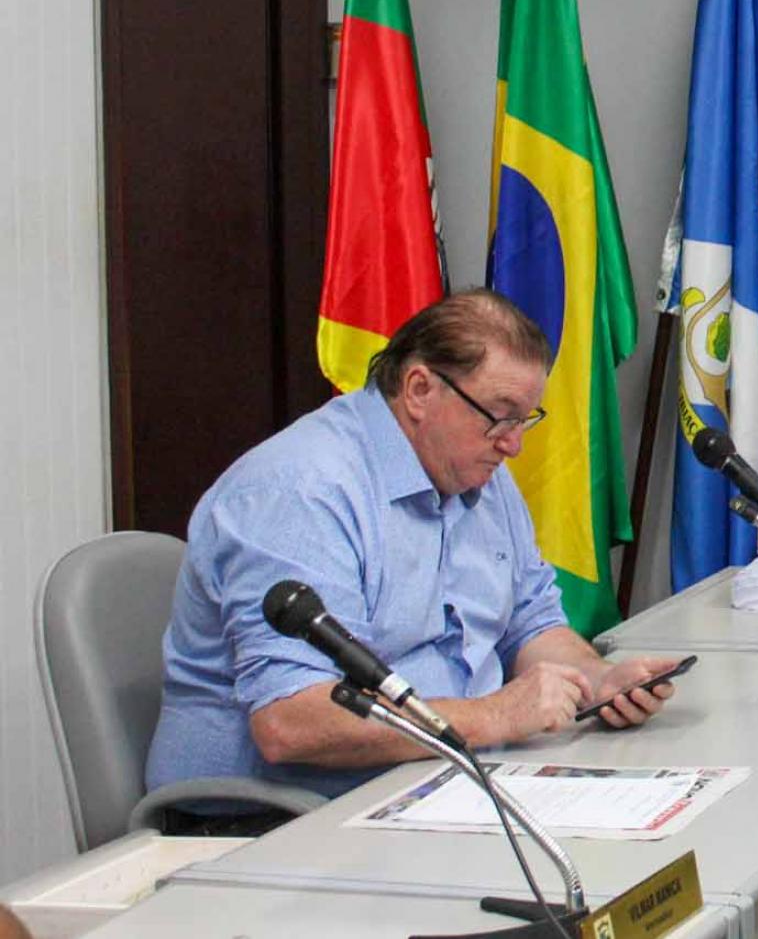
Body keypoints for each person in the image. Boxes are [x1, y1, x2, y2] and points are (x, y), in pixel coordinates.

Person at [146, 290, 682, 815]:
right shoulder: (301, 493)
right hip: (277, 821)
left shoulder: (478, 472)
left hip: (440, 783)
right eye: (499, 416)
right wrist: (493, 716)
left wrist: (595, 681)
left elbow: (528, 623)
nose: (513, 444)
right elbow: (291, 722)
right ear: (420, 389)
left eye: (523, 419)